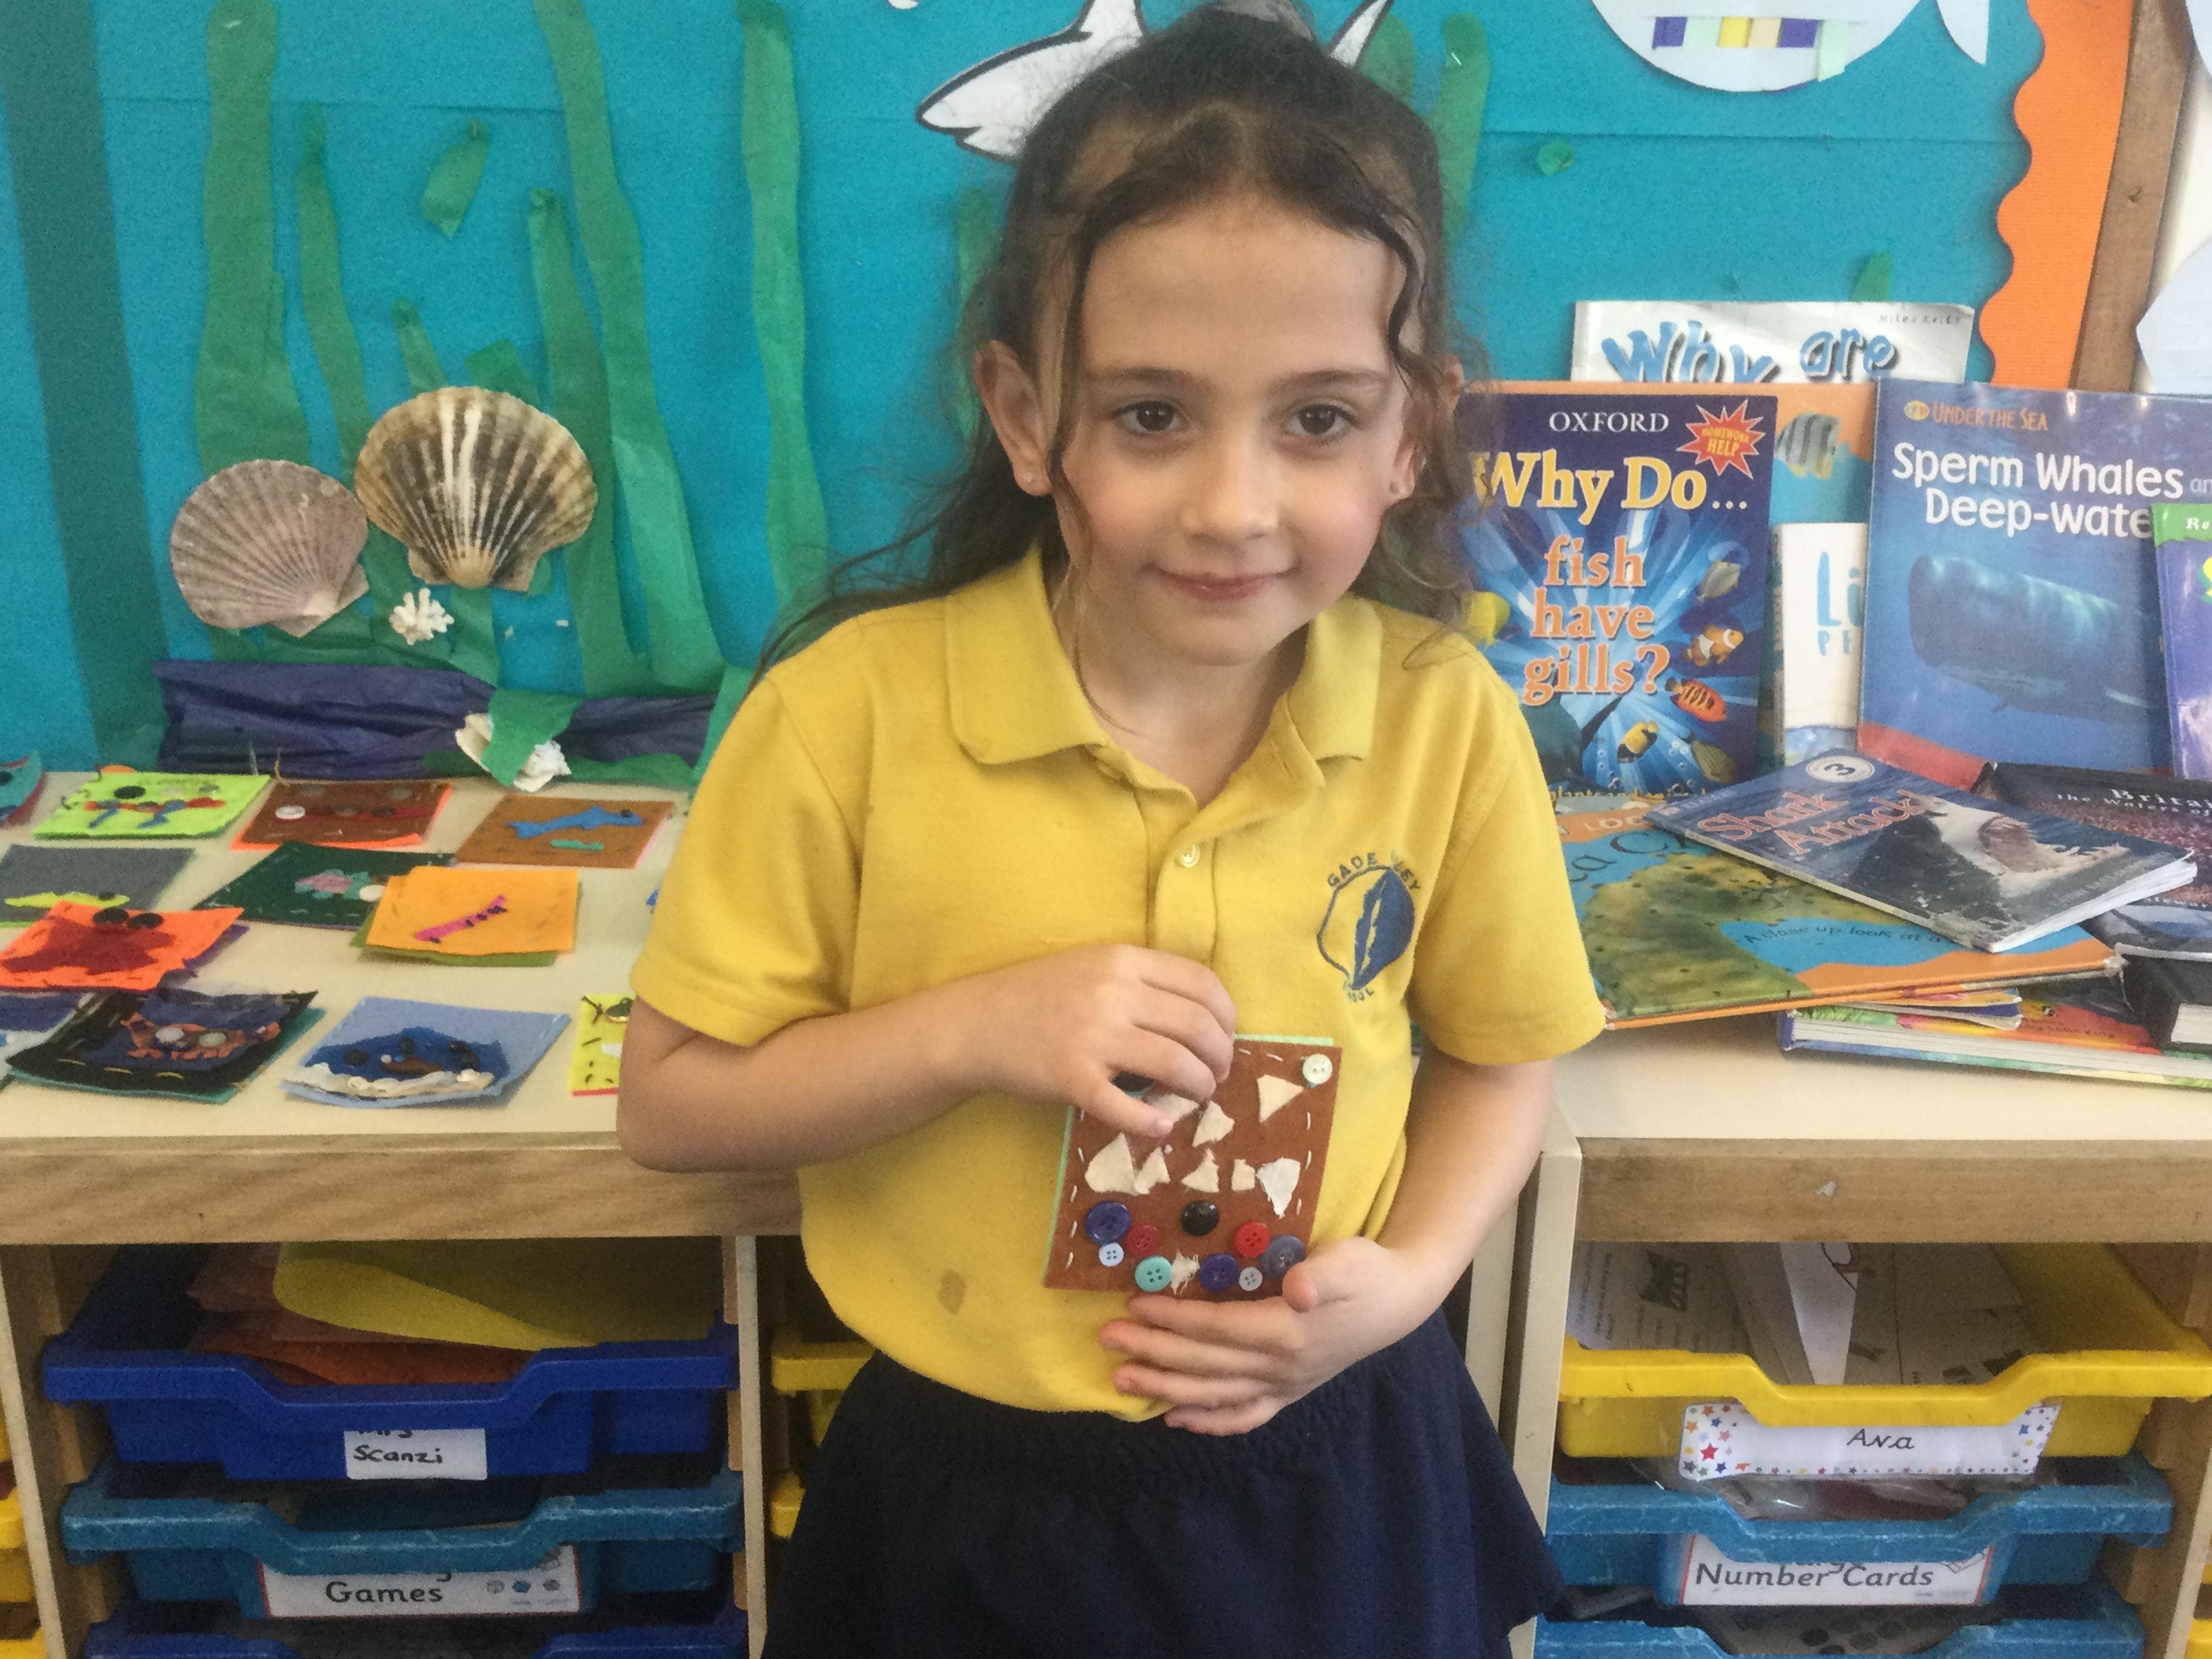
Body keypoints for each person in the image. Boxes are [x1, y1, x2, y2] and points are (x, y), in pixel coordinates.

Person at [619, 5, 1603, 1654]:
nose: (1233, 506)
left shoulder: (1445, 718)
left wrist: (1417, 1279)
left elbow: (1507, 1059)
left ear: (1410, 432)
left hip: (1337, 1457)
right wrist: (969, 1032)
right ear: (1025, 415)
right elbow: (671, 1103)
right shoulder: (845, 716)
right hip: (968, 1496)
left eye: (1317, 418)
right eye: (1152, 415)